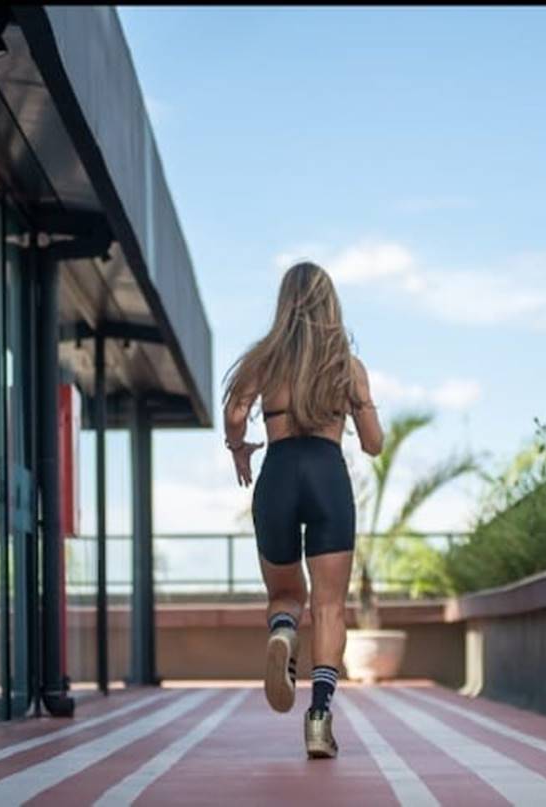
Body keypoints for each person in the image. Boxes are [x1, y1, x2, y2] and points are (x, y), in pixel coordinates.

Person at [222, 261, 384, 759]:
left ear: (285, 304)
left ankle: (283, 632)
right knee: (330, 606)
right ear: (330, 306)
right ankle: (319, 719)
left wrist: (239, 447)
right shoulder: (347, 368)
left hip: (278, 474)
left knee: (286, 594)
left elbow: (233, 415)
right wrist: (360, 411)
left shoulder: (263, 361)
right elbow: (375, 445)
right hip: (328, 477)